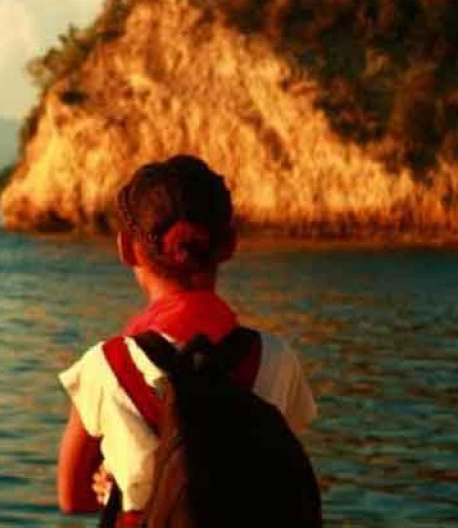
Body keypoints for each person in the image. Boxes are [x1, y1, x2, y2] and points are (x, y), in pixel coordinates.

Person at [56, 155, 317, 520]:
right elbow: (282, 474)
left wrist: (115, 486)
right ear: (229, 244)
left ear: (126, 249)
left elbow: (72, 497)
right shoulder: (276, 357)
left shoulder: (105, 368)